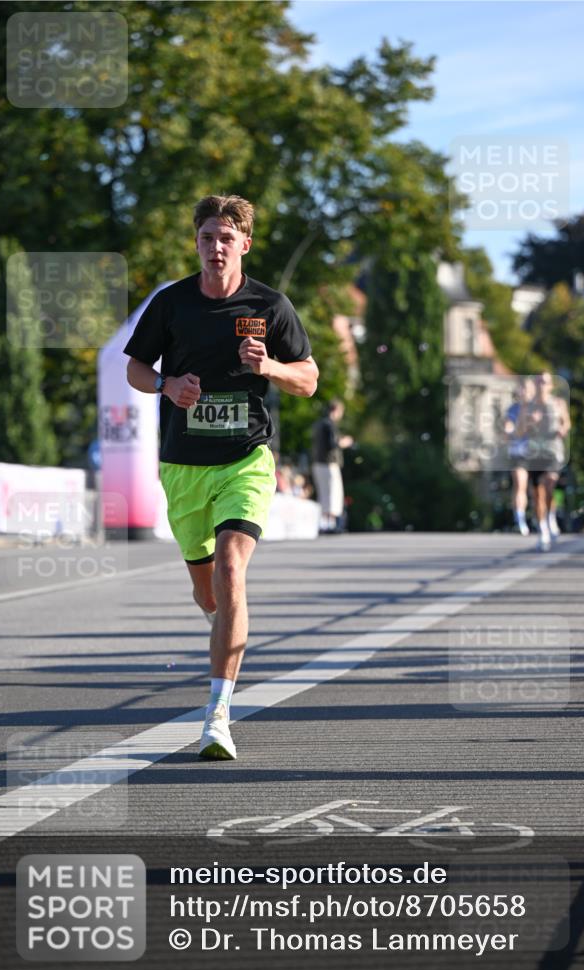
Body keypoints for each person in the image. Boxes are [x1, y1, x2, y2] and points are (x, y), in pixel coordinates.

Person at [124, 194, 318, 759]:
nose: (215, 248)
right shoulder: (172, 304)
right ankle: (222, 623)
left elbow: (308, 379)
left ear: (245, 244)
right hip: (184, 465)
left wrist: (270, 367)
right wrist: (166, 385)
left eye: (226, 239)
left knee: (232, 569)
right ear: (197, 242)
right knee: (208, 591)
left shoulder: (270, 305)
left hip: (245, 459)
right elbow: (135, 367)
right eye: (207, 238)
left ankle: (217, 716)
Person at [517, 371, 571, 552]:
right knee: (537, 494)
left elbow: (567, 423)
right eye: (538, 382)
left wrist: (562, 429)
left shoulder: (558, 403)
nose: (541, 385)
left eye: (544, 382)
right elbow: (519, 431)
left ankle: (550, 516)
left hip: (553, 452)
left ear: (550, 386)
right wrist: (529, 422)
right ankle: (543, 529)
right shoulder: (527, 406)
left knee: (549, 484)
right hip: (534, 454)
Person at [311, 399, 353, 533]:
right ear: (337, 410)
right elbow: (332, 444)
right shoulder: (329, 424)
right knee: (332, 493)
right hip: (328, 463)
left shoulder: (318, 424)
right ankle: (330, 524)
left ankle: (324, 523)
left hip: (318, 462)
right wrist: (345, 442)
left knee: (323, 493)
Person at [503, 377, 534, 535]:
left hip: (537, 453)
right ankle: (520, 519)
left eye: (526, 389)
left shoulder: (538, 408)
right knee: (520, 484)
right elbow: (508, 426)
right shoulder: (513, 409)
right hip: (518, 453)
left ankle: (545, 519)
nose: (523, 392)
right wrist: (508, 430)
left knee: (538, 489)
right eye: (521, 389)